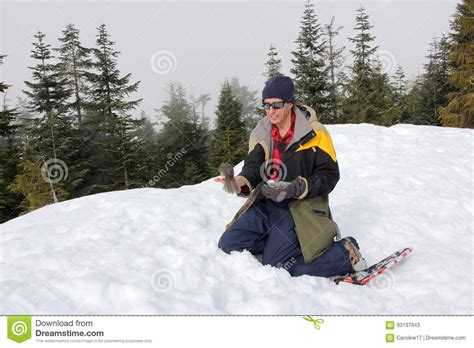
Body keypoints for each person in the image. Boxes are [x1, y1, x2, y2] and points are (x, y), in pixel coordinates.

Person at [216, 75, 366, 277]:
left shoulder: (316, 133)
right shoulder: (263, 131)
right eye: (266, 105)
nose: (271, 111)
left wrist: (297, 188)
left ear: (290, 103)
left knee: (276, 266)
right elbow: (253, 166)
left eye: (276, 105)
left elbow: (329, 175)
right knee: (228, 244)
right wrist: (240, 182)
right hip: (267, 204)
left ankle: (343, 254)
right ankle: (275, 242)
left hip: (298, 209)